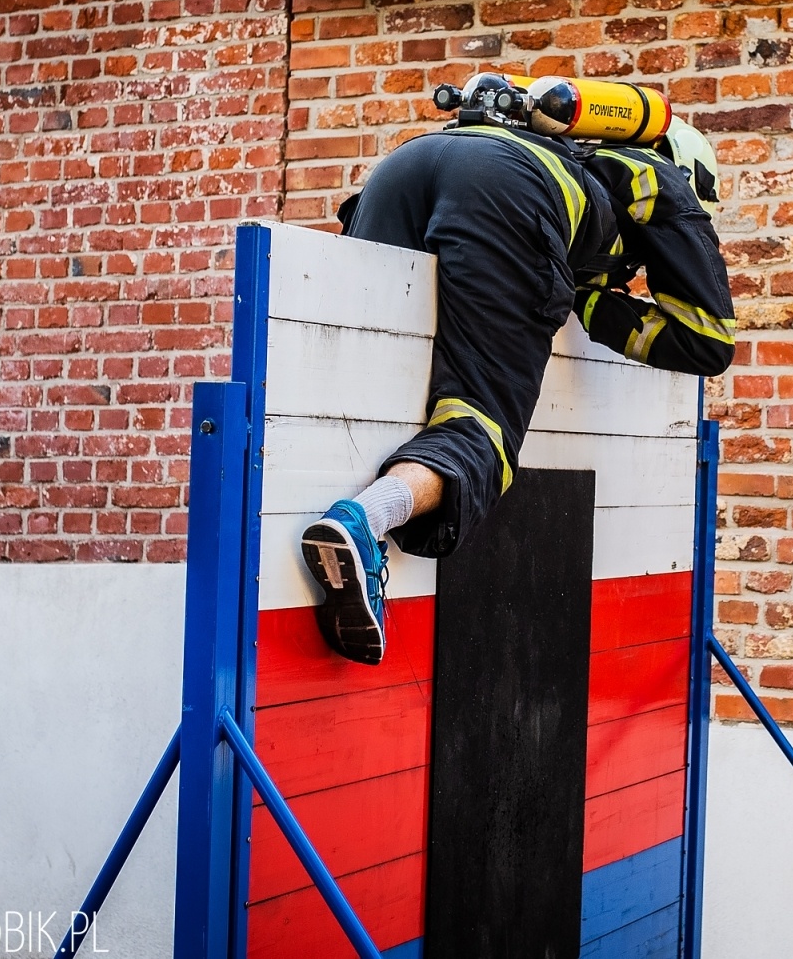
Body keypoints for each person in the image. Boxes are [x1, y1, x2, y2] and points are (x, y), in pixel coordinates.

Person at [298, 77, 734, 665]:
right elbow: (708, 341)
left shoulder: (573, 153)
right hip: (507, 193)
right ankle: (362, 519)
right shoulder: (665, 178)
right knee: (479, 420)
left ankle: (319, 535)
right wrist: (589, 302)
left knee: (364, 375)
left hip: (406, 166)